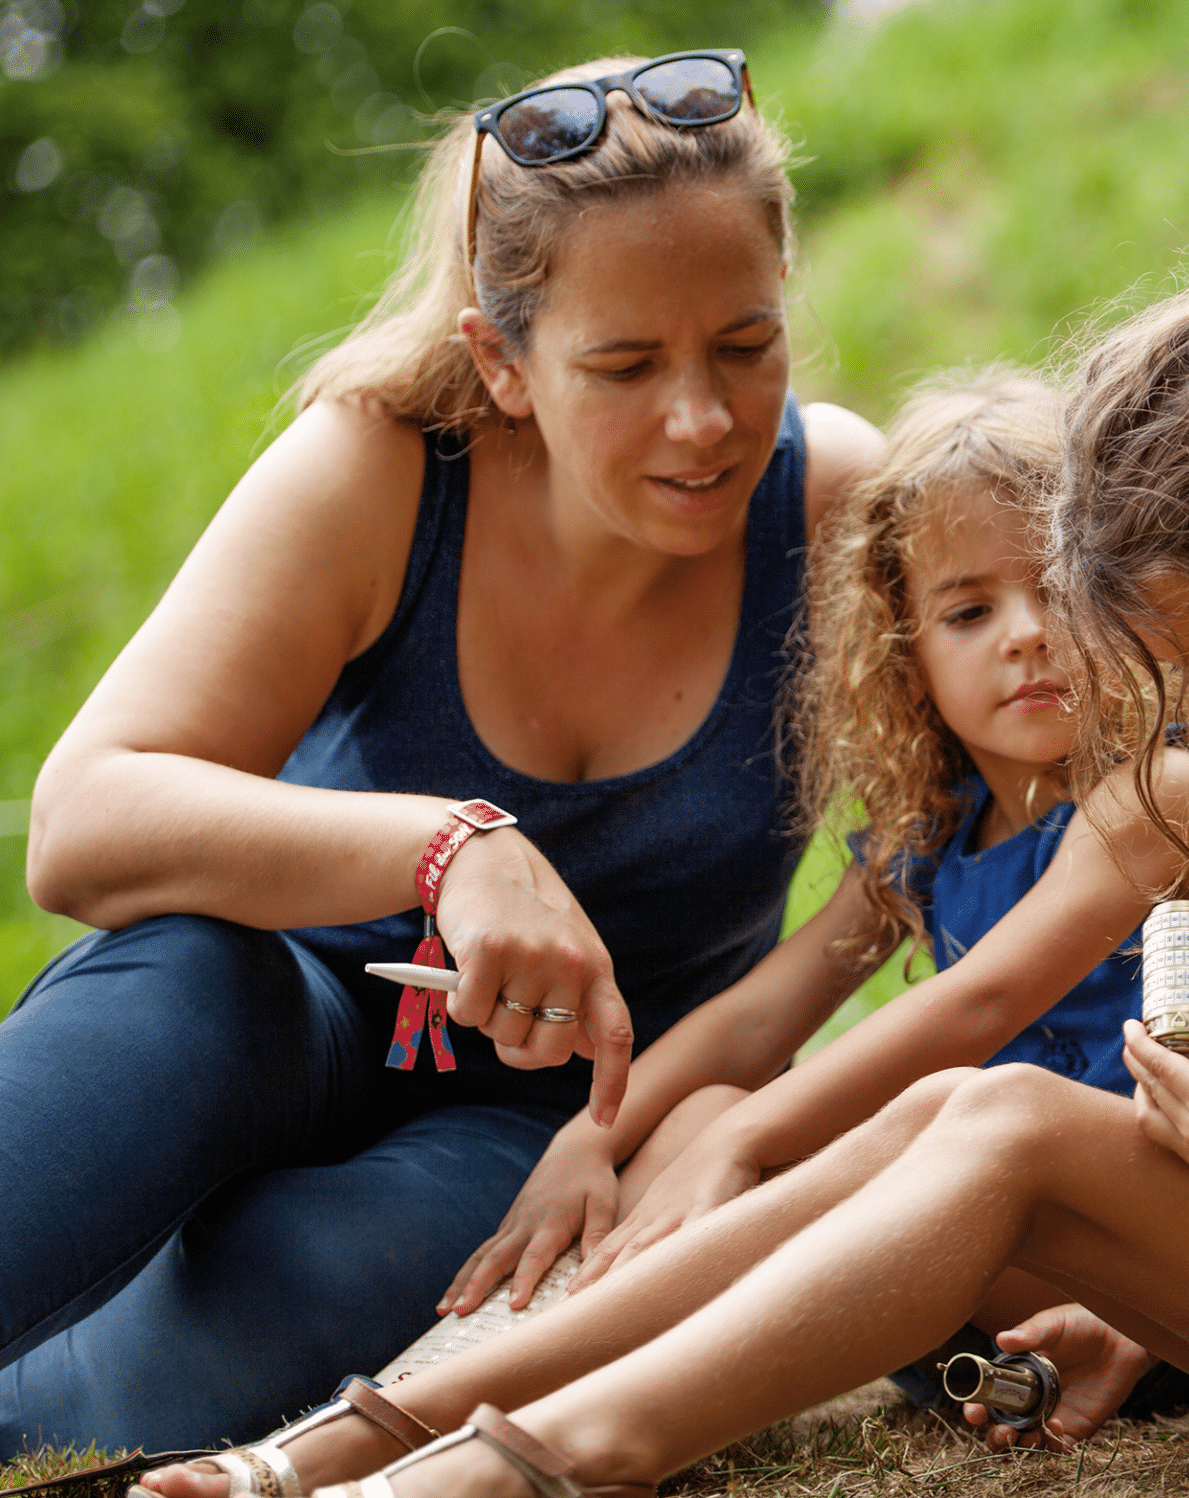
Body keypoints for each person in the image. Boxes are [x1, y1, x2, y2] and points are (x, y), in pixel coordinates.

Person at [137, 271, 1189, 1498]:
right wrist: (1175, 1292)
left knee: (1001, 1110)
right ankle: (373, 1427)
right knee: (950, 1114)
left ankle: (539, 1454)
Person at [133, 367, 1189, 1498]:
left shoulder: (1163, 795)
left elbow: (974, 1006)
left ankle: (457, 1418)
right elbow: (762, 1011)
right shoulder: (937, 831)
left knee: (760, 1133)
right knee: (700, 1112)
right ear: (906, 658)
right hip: (1010, 1224)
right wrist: (596, 1135)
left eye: (1058, 590)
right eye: (968, 609)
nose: (1025, 634)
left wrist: (751, 1140)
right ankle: (552, 1391)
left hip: (1180, 1226)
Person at [0, 49, 885, 1452]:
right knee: (163, 1016)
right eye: (625, 364)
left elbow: (1015, 820)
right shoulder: (382, 468)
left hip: (550, 1131)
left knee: (319, 1291)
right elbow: (81, 819)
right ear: (502, 362)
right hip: (278, 997)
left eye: (746, 342)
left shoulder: (836, 509)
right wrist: (451, 843)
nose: (703, 419)